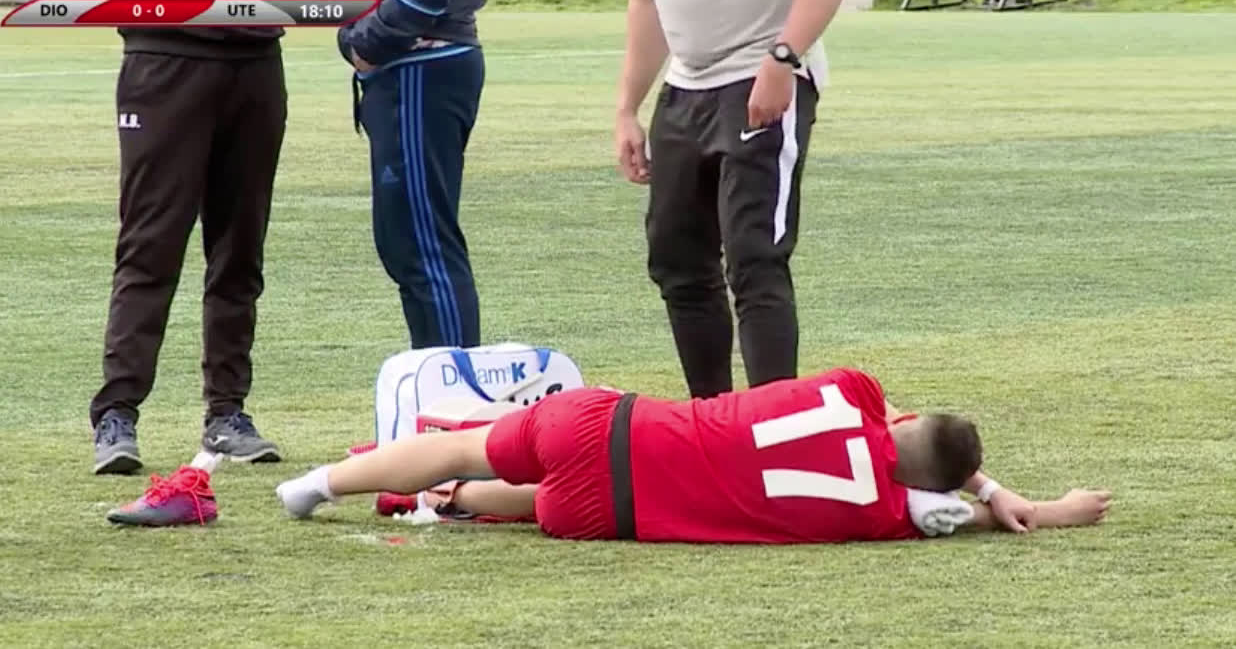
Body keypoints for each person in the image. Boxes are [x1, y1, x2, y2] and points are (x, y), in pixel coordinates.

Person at [276, 368, 1113, 543]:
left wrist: (985, 477)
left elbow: (896, 416)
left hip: (605, 424)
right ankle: (454, 499)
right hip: (608, 512)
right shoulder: (890, 512)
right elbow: (961, 512)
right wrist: (1049, 508)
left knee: (463, 442)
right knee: (542, 504)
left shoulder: (853, 389)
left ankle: (318, 484)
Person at [612, 0, 850, 398]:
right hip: (685, 86)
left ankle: (774, 422)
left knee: (754, 257)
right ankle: (711, 415)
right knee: (677, 260)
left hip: (761, 72)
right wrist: (627, 108)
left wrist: (784, 56)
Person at [89, 0, 289, 475]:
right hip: (163, 59)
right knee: (150, 246)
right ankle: (116, 414)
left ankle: (227, 413)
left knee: (240, 249)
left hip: (255, 59)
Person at [338, 0, 487, 349]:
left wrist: (373, 38)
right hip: (413, 60)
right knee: (409, 246)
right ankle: (438, 378)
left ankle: (454, 383)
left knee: (425, 249)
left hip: (417, 60)